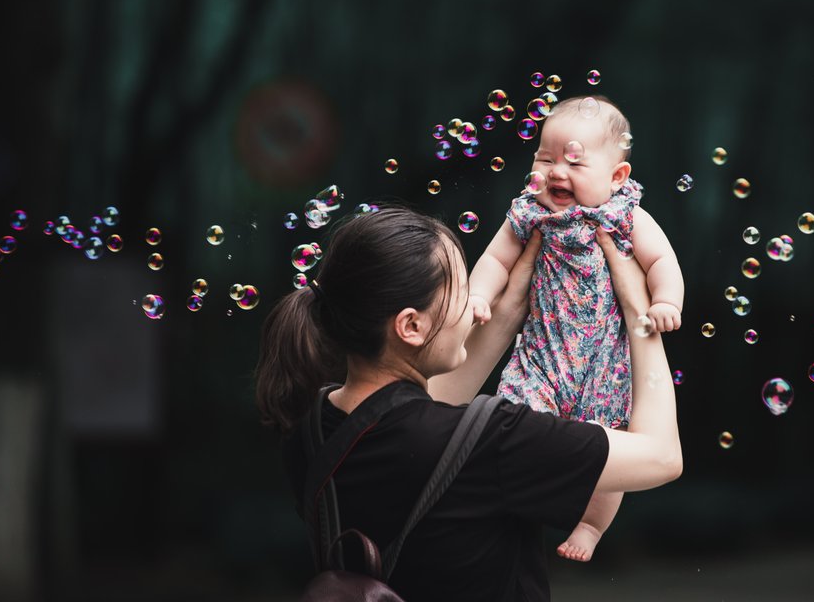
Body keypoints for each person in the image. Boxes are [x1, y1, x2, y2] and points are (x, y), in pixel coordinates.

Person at [255, 206, 681, 601]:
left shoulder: (309, 433)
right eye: (462, 291)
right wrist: (637, 314)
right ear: (411, 325)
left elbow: (415, 425)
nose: (475, 309)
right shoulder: (495, 443)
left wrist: (514, 302)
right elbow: (662, 458)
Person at [466, 94, 684, 561]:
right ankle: (519, 502)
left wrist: (666, 300)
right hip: (541, 359)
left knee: (611, 447)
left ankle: (591, 524)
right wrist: (479, 296)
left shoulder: (625, 215)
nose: (556, 172)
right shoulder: (530, 211)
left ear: (617, 176)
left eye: (574, 163)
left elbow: (662, 260)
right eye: (545, 158)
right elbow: (495, 260)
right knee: (518, 424)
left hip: (605, 368)